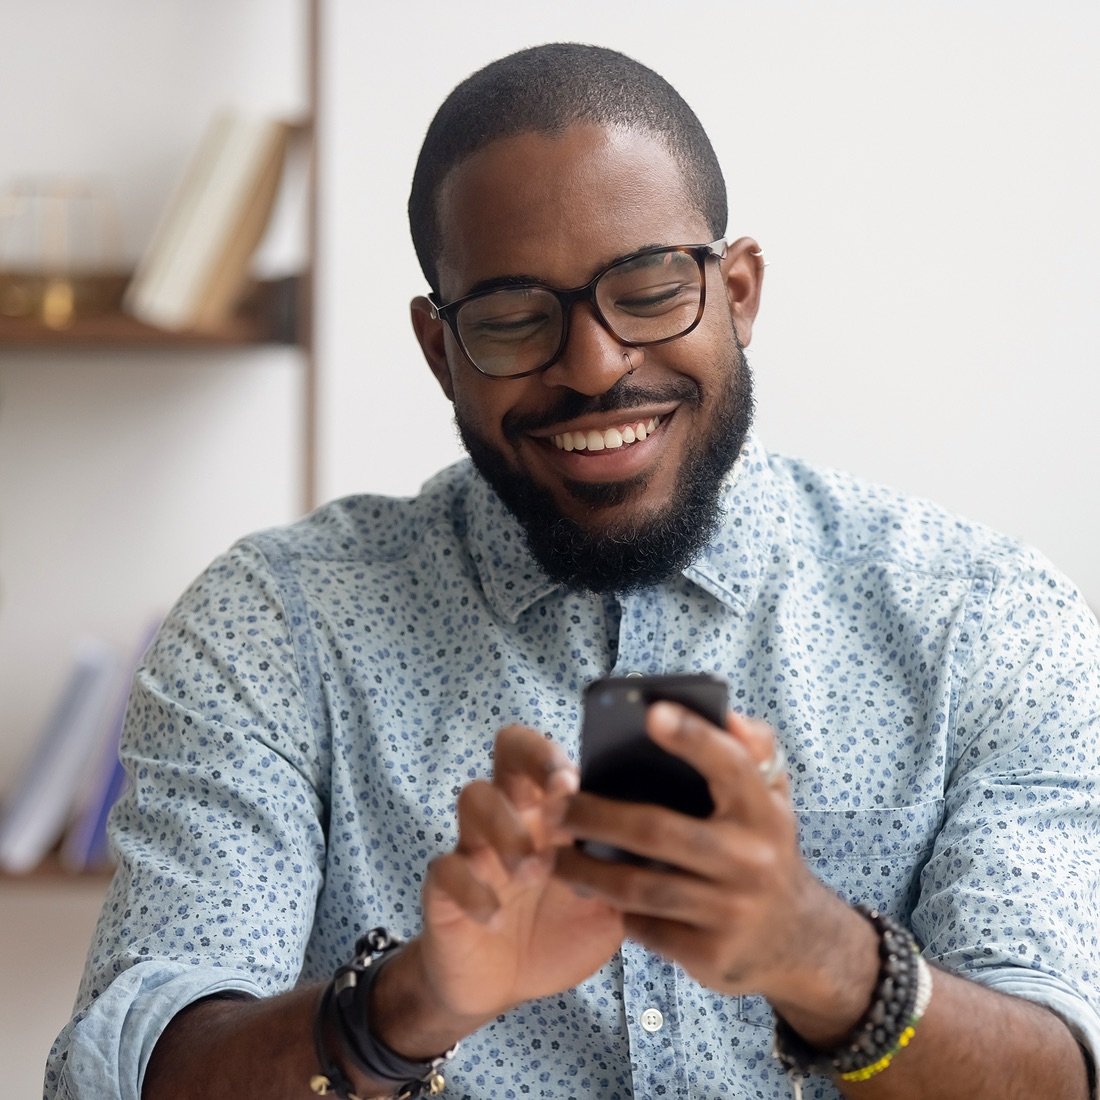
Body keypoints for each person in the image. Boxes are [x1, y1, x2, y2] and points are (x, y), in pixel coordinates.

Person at [47, 43, 1099, 1100]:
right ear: (437, 347)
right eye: (512, 317)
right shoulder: (275, 626)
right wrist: (406, 1004)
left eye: (646, 292)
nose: (593, 366)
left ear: (737, 292)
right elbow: (116, 1072)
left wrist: (815, 952)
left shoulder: (985, 621)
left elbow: (1062, 1068)